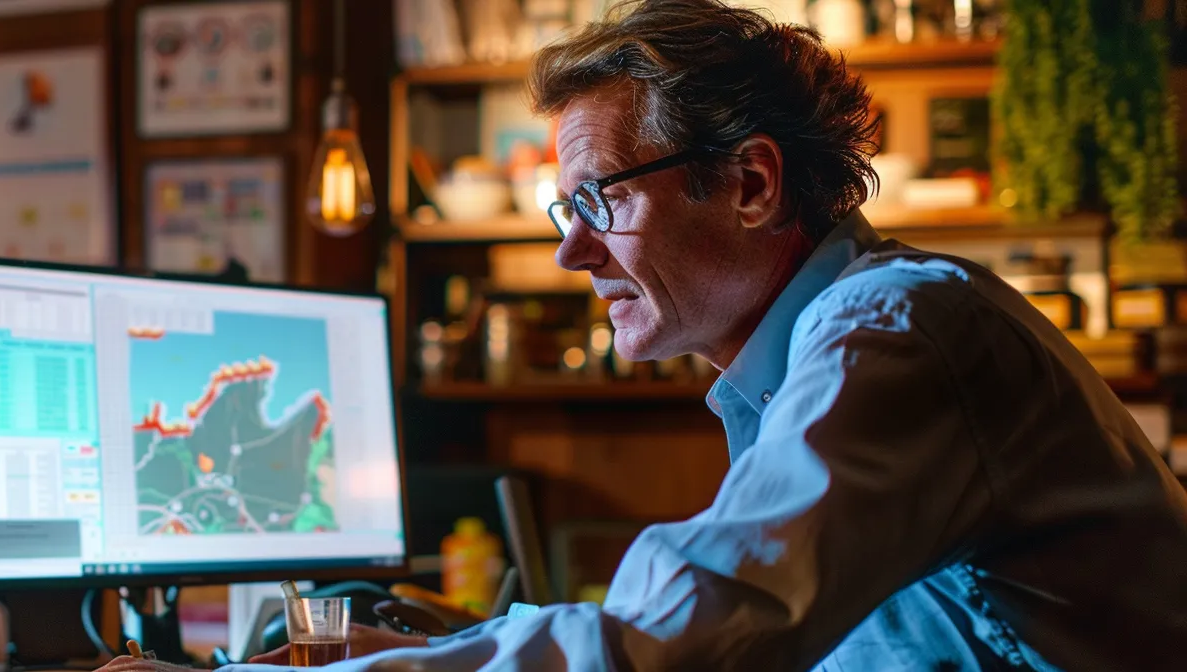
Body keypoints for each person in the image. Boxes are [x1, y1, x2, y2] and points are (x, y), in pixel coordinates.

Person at [99, 0, 1187, 670]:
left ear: (751, 182)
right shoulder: (822, 353)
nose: (573, 256)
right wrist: (443, 650)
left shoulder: (893, 329)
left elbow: (674, 648)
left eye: (595, 203)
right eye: (561, 216)